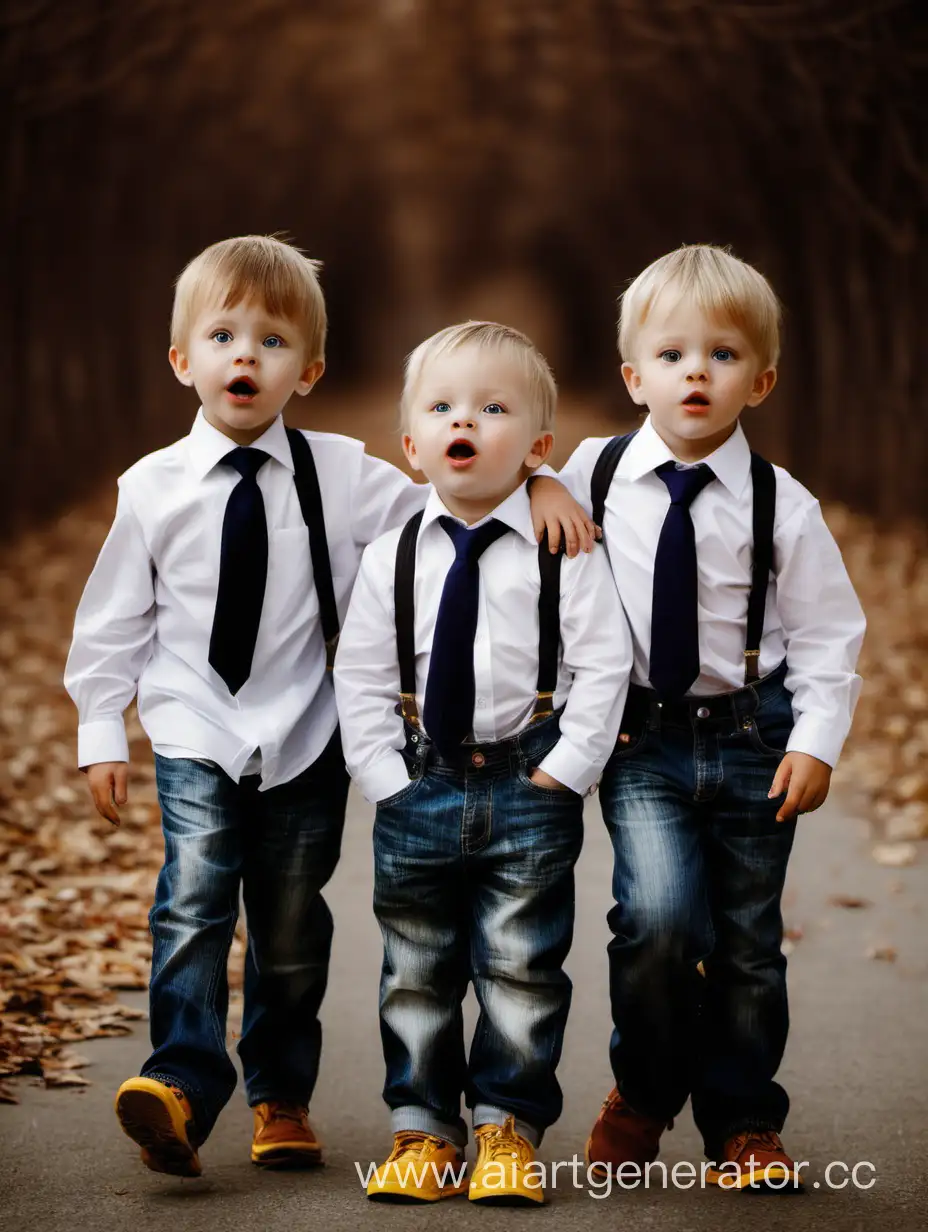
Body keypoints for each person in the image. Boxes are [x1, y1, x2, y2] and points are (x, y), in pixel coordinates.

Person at [63, 237, 591, 1179]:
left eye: (270, 341)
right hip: (193, 724)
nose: (243, 357)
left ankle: (280, 1095)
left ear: (306, 370)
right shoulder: (149, 489)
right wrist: (103, 726)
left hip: (307, 732)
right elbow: (114, 617)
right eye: (221, 336)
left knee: (291, 922)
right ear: (182, 359)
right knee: (192, 901)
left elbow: (459, 495)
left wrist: (543, 480)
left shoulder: (345, 475)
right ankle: (179, 1083)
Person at [556, 244, 866, 1190]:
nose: (698, 371)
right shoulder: (590, 472)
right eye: (675, 354)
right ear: (633, 375)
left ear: (761, 380)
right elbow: (513, 546)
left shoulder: (784, 504)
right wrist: (536, 485)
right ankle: (644, 1092)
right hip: (640, 739)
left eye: (724, 356)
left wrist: (815, 742)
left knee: (745, 941)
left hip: (752, 736)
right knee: (653, 919)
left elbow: (828, 634)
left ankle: (741, 1119)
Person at [334, 321, 632, 1205]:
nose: (466, 421)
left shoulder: (562, 547)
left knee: (521, 965)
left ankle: (509, 1126)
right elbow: (361, 672)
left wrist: (566, 769)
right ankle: (422, 1130)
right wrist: (383, 775)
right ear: (413, 445)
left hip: (528, 781)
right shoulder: (391, 554)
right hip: (418, 783)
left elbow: (602, 661)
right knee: (417, 968)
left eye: (493, 408)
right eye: (443, 407)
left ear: (538, 447)